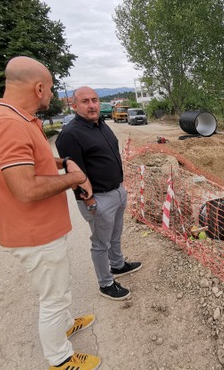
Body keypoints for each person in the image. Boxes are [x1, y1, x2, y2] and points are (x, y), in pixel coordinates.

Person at [0, 56, 101, 370]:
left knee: (59, 287)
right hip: (35, 233)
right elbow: (25, 188)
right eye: (49, 90)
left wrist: (61, 164)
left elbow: (31, 165)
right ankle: (59, 358)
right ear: (39, 87)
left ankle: (64, 325)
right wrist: (76, 177)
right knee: (53, 296)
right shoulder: (8, 124)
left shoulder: (15, 118)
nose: (50, 96)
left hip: (42, 230)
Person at [56, 86, 142, 301]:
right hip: (99, 198)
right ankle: (106, 283)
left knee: (115, 235)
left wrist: (121, 189)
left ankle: (118, 265)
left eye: (94, 99)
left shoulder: (102, 125)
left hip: (117, 191)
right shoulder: (71, 134)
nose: (92, 105)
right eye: (85, 101)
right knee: (100, 243)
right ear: (74, 106)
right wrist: (90, 202)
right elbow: (74, 174)